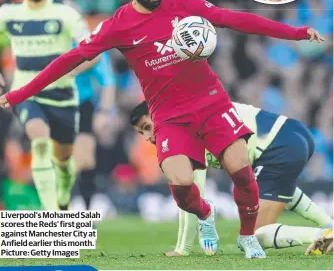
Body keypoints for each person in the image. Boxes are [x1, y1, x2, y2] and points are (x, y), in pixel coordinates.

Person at [0, 0, 324, 258]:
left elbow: (234, 19)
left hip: (212, 103)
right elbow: (70, 59)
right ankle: (205, 213)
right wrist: (20, 93)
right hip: (169, 115)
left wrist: (294, 32)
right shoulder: (118, 25)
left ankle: (248, 236)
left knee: (241, 169)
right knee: (181, 185)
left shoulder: (182, 4)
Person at [130, 101, 333, 256]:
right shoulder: (192, 111)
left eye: (147, 127)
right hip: (294, 133)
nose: (147, 137)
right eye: (141, 133)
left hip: (277, 146)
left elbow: (193, 195)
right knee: (277, 188)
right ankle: (329, 228)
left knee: (251, 237)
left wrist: (182, 249)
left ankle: (321, 236)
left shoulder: (183, 130)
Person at [0, 0, 91, 211]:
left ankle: (64, 194)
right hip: (26, 93)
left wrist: (73, 72)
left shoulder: (65, 13)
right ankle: (53, 215)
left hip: (63, 96)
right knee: (40, 140)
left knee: (64, 159)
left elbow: (92, 50)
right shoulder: (8, 14)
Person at [73, 49, 116, 210]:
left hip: (82, 105)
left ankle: (86, 211)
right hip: (56, 106)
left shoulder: (86, 47)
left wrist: (104, 112)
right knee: (69, 160)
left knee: (86, 160)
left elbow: (107, 80)